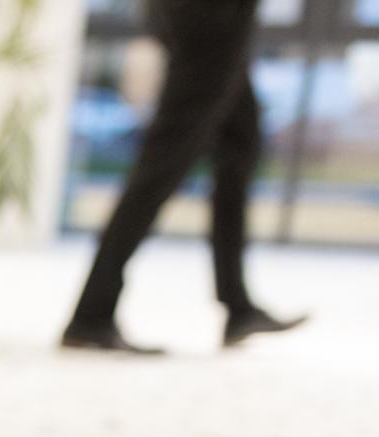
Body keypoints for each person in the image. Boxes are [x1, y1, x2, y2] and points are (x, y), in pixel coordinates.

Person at [63, 0, 305, 353]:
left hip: (216, 15)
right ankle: (92, 314)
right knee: (165, 159)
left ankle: (238, 306)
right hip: (210, 13)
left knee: (240, 144)